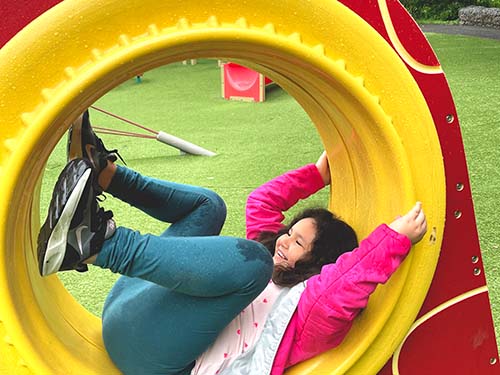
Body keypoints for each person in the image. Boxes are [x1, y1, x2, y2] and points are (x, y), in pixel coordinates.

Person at [37, 111, 427, 375]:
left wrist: (394, 239)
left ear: (318, 263)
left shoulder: (307, 310)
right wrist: (315, 175)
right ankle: (103, 173)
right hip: (129, 310)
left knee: (253, 263)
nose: (284, 242)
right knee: (211, 207)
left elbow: (342, 286)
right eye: (290, 233)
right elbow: (263, 202)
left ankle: (95, 244)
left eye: (298, 243)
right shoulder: (269, 255)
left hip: (157, 359)